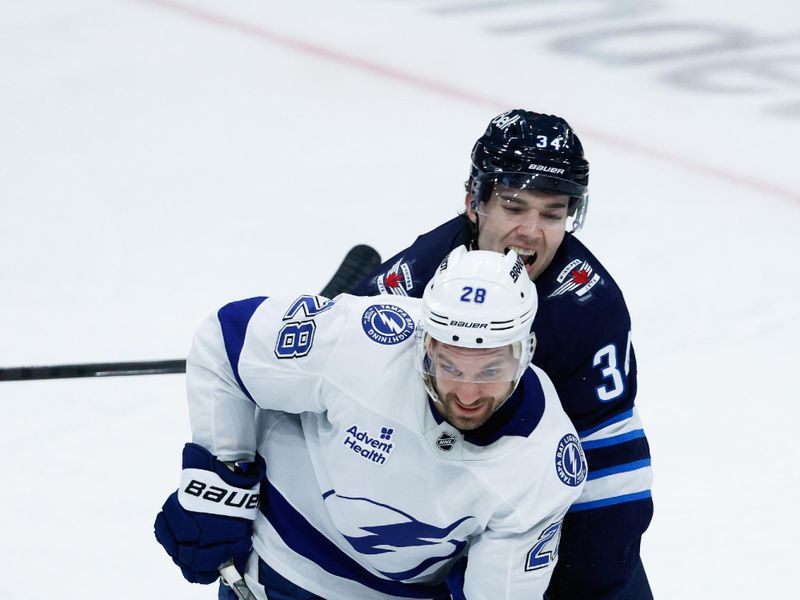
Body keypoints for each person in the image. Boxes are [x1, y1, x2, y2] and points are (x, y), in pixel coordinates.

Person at [154, 247, 588, 600]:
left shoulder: (542, 467)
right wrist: (220, 481)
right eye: (448, 367)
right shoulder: (364, 342)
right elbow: (224, 344)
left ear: (525, 352)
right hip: (272, 564)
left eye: (490, 372)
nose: (468, 394)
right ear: (425, 342)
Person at [351, 110, 654, 599]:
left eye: (552, 214)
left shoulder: (587, 310)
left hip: (545, 510)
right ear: (474, 203)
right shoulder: (418, 278)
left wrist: (595, 582)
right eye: (514, 208)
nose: (531, 232)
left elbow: (609, 471)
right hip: (433, 511)